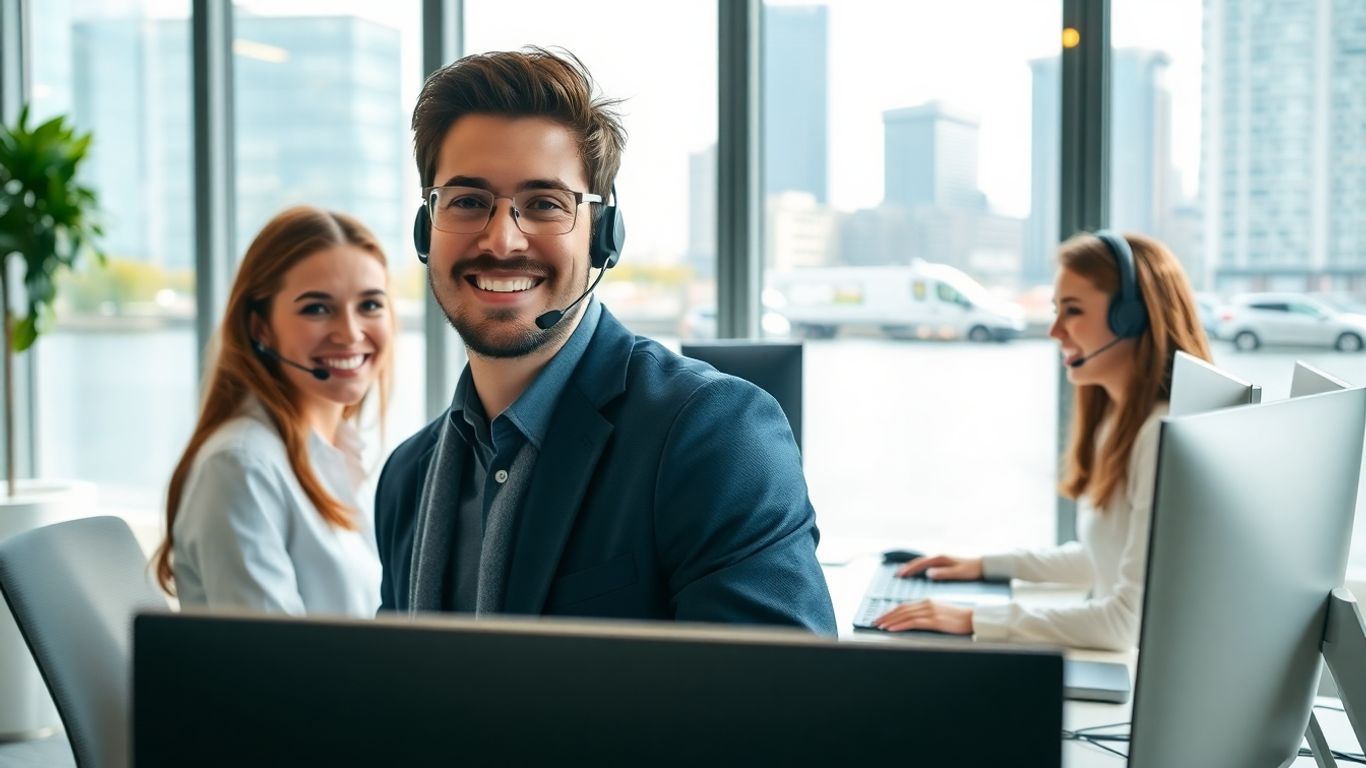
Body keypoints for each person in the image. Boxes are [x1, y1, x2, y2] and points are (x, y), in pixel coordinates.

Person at [376, 47, 835, 633]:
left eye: (544, 204)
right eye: (468, 202)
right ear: (426, 229)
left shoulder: (715, 435)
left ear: (602, 236)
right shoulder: (407, 477)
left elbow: (787, 705)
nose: (502, 240)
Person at [874, 231, 1212, 651]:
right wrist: (982, 566)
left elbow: (1126, 622)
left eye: (1072, 311)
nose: (1055, 331)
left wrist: (976, 619)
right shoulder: (1123, 421)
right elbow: (1101, 557)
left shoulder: (1161, 434)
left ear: (1131, 317)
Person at [153, 206, 395, 617]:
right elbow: (273, 667)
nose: (351, 332)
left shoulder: (340, 451)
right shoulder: (240, 467)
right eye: (317, 308)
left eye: (370, 305)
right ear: (260, 328)